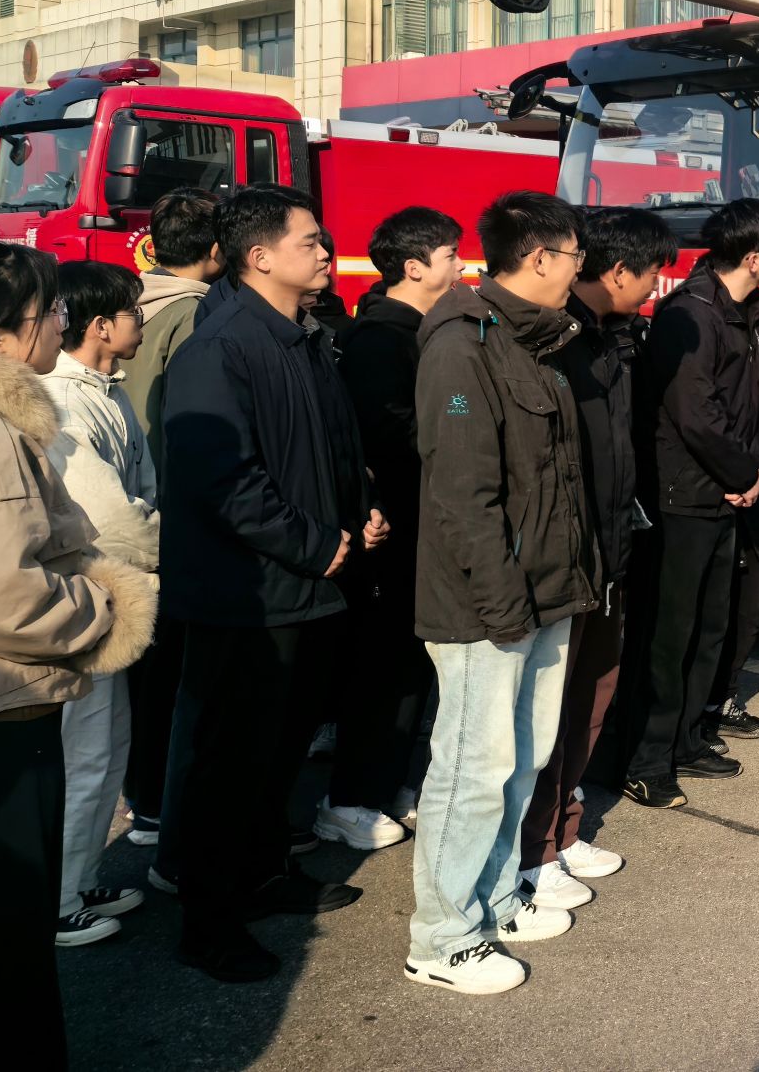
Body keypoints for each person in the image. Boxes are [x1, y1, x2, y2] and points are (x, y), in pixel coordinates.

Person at [160, 186, 386, 982]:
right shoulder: (220, 347)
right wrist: (317, 543)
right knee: (231, 761)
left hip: (309, 582)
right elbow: (224, 481)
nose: (327, 252)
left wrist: (357, 516)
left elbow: (328, 448)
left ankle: (261, 873)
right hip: (249, 595)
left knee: (278, 751)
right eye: (311, 241)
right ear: (259, 256)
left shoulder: (303, 337)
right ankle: (209, 920)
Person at [406, 191, 599, 996]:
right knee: (472, 768)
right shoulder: (461, 346)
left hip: (543, 594)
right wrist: (503, 607)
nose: (581, 270)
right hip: (489, 606)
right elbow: (463, 496)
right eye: (575, 256)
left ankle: (492, 899)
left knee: (522, 758)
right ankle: (442, 936)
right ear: (540, 256)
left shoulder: (533, 339)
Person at [0, 241, 156, 1065]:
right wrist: (105, 605)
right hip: (15, 694)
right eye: (48, 310)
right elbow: (14, 591)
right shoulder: (6, 431)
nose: (59, 323)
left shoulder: (27, 415)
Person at [518, 207, 672, 910]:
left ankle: (565, 827)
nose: (655, 285)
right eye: (651, 272)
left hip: (609, 548)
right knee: (549, 711)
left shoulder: (615, 336)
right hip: (567, 558)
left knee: (590, 699)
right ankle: (533, 850)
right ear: (617, 271)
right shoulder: (555, 339)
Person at [621, 198, 759, 809]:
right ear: (753, 257)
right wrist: (740, 472)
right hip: (686, 496)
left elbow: (755, 407)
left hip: (731, 493)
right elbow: (694, 413)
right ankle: (647, 759)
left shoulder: (750, 313)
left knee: (712, 626)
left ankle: (689, 740)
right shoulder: (688, 314)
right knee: (671, 633)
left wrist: (755, 471)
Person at [318, 207, 463, 852]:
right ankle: (349, 797)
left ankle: (387, 782)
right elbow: (390, 435)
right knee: (380, 667)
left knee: (410, 664)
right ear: (414, 267)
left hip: (423, 527)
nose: (461, 266)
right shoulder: (381, 338)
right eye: (451, 255)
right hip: (392, 529)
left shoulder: (426, 330)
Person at [43, 262, 161, 947]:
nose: (139, 323)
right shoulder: (64, 398)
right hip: (87, 596)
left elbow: (142, 492)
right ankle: (60, 900)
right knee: (84, 754)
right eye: (132, 313)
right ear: (99, 326)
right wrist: (161, 540)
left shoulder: (106, 391)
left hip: (110, 594)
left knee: (105, 749)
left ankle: (81, 879)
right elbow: (112, 519)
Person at [120, 187, 222, 849]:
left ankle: (141, 795)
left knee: (145, 672)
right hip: (169, 515)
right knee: (171, 674)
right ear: (217, 249)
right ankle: (157, 801)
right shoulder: (195, 313)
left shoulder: (131, 302)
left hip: (128, 501)